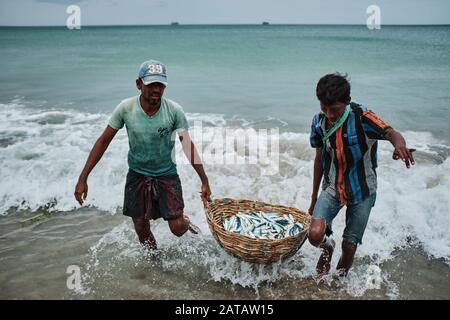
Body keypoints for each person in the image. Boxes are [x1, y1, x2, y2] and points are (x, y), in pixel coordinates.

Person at [74, 60, 211, 250]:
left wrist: (204, 180)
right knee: (141, 228)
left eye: (160, 85)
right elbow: (103, 141)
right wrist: (83, 178)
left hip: (166, 174)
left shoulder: (174, 111)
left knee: (177, 228)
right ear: (139, 84)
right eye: (151, 84)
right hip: (137, 174)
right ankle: (156, 264)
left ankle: (186, 222)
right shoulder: (126, 108)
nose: (156, 89)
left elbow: (187, 145)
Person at [307, 73, 415, 278]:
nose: (329, 114)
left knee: (349, 246)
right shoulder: (318, 122)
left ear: (347, 101)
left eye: (334, 109)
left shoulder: (362, 117)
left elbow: (390, 132)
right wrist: (313, 198)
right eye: (324, 108)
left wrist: (400, 146)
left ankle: (339, 284)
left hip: (363, 190)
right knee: (314, 234)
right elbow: (319, 159)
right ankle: (328, 246)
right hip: (332, 187)